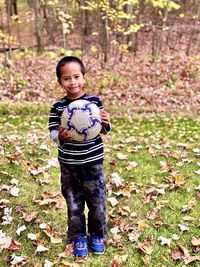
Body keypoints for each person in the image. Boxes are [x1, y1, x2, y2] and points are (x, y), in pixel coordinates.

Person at [49, 56, 111, 257]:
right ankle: (78, 237)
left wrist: (106, 123)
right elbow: (52, 133)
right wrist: (60, 135)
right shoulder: (58, 107)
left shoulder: (94, 102)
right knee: (74, 204)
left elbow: (103, 130)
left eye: (76, 77)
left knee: (97, 202)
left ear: (83, 78)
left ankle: (96, 234)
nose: (72, 82)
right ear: (60, 82)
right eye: (66, 78)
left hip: (93, 163)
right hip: (69, 165)